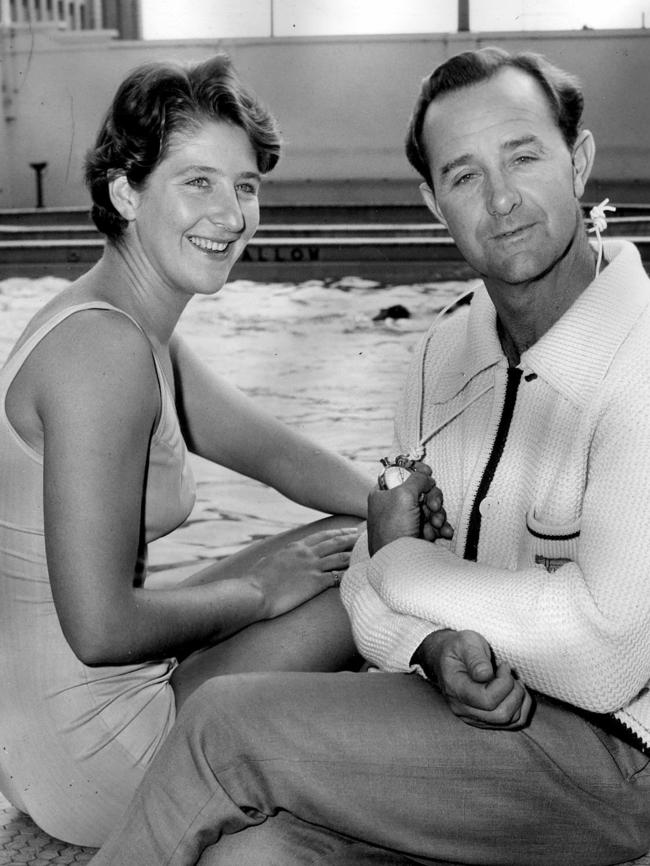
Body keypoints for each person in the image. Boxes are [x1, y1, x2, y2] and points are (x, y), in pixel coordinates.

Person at [88, 46, 650, 866]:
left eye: (524, 156)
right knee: (251, 858)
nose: (500, 199)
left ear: (580, 161)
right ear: (432, 203)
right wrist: (425, 647)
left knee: (223, 726)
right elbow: (365, 590)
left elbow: (603, 656)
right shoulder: (442, 355)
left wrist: (401, 562)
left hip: (617, 756)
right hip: (460, 743)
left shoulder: (640, 359)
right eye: (463, 177)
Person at [0, 54, 372, 848]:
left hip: (35, 744)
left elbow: (275, 455)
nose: (231, 214)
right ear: (126, 191)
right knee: (375, 569)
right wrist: (259, 593)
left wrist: (391, 497)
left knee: (353, 537)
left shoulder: (123, 322)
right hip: (102, 756)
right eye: (197, 182)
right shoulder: (101, 353)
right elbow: (100, 628)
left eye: (245, 186)